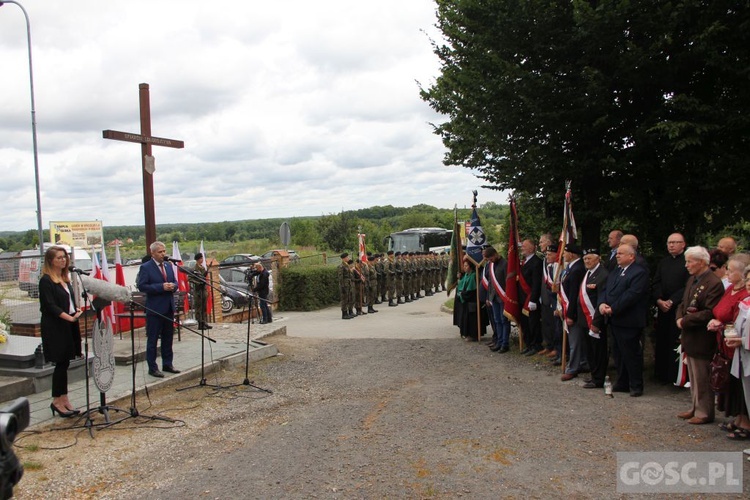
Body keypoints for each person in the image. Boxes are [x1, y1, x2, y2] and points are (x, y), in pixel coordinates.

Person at [675, 246, 725, 424]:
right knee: (694, 374)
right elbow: (683, 302)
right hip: (690, 334)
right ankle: (695, 406)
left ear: (702, 262)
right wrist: (679, 317)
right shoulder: (693, 279)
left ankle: (704, 411)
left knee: (702, 374)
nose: (686, 265)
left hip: (702, 336)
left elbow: (710, 311)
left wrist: (686, 321)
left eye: (690, 261)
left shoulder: (713, 283)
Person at [598, 243, 650, 397]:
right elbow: (606, 289)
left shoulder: (639, 273)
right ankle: (622, 382)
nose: (617, 256)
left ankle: (636, 385)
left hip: (629, 320)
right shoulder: (615, 271)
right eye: (617, 253)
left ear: (631, 256)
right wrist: (602, 303)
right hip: (613, 319)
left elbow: (632, 295)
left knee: (631, 353)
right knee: (618, 352)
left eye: (621, 253)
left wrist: (613, 308)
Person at [706, 256, 750, 434]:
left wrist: (723, 325)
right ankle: (739, 417)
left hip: (738, 344)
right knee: (734, 382)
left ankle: (745, 421)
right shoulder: (730, 288)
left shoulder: (744, 296)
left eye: (732, 270)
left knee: (741, 384)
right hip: (726, 341)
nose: (728, 273)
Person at [39, 246, 83, 417]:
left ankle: (64, 399)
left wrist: (75, 310)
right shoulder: (46, 280)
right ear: (51, 260)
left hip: (68, 324)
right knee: (60, 364)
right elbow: (49, 306)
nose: (63, 260)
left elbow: (67, 301)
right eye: (59, 257)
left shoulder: (64, 278)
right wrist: (69, 317)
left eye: (64, 257)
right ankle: (56, 401)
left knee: (64, 363)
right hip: (55, 327)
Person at [137, 241, 180, 378]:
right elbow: (142, 286)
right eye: (160, 252)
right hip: (155, 309)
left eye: (164, 251)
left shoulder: (168, 265)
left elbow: (175, 282)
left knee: (168, 338)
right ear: (153, 253)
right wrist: (161, 287)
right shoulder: (146, 267)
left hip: (168, 307)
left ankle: (168, 363)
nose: (163, 254)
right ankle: (152, 367)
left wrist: (173, 286)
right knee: (153, 339)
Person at [650, 233, 689, 384]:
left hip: (677, 308)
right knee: (662, 340)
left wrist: (672, 301)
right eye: (669, 242)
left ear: (683, 244)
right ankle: (661, 374)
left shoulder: (687, 262)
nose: (671, 245)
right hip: (662, 308)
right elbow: (656, 282)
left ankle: (676, 376)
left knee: (675, 341)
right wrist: (659, 299)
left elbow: (687, 286)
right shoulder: (664, 262)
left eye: (675, 242)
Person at [578, 248, 609, 388]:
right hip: (585, 319)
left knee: (598, 351)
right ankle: (593, 375)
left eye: (589, 258)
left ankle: (598, 379)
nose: (587, 261)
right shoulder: (588, 273)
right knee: (589, 350)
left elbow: (601, 300)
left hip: (596, 320)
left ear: (598, 259)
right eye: (585, 259)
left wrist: (596, 322)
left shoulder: (602, 275)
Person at [725, 266, 750, 439]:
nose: (749, 284)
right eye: (748, 280)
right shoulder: (746, 303)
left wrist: (742, 341)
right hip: (744, 356)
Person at [560, 244, 586, 381]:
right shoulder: (571, 268)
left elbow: (573, 294)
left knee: (574, 341)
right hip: (570, 308)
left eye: (565, 252)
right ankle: (581, 362)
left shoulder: (577, 269)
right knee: (576, 340)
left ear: (572, 254)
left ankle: (573, 368)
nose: (563, 254)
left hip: (574, 311)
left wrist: (570, 315)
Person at [483, 246, 510, 353]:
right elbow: (490, 282)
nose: (490, 261)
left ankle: (505, 343)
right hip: (494, 297)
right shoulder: (491, 265)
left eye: (491, 258)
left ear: (495, 254)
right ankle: (499, 341)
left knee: (504, 321)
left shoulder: (504, 264)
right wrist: (489, 297)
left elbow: (507, 282)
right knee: (497, 320)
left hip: (503, 297)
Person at [519, 238, 543, 355]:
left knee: (533, 323)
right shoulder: (524, 261)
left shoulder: (537, 262)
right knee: (525, 323)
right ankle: (528, 344)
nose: (522, 248)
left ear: (531, 248)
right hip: (523, 298)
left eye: (524, 246)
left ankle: (536, 345)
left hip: (531, 299)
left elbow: (536, 283)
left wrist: (533, 300)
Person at [190, 252, 211, 330]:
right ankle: (200, 323)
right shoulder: (194, 269)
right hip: (198, 290)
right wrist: (198, 283)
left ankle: (204, 322)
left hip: (203, 290)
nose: (202, 260)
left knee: (204, 307)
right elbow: (190, 278)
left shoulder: (202, 268)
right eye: (201, 258)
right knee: (199, 308)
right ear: (198, 259)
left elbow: (204, 277)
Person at [338, 253, 353, 320]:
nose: (348, 258)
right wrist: (342, 286)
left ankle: (347, 313)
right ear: (343, 258)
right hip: (344, 284)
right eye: (347, 257)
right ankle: (344, 314)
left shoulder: (346, 265)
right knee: (344, 299)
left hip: (348, 284)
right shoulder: (341, 266)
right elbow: (340, 277)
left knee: (348, 299)